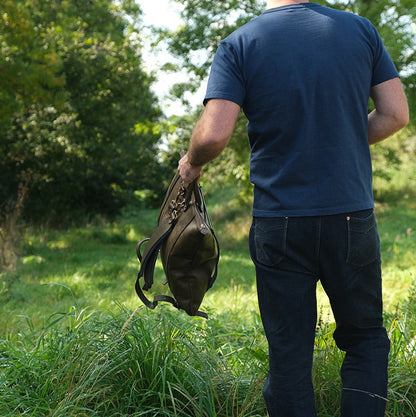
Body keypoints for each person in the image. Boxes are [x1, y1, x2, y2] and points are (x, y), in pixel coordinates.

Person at [178, 0, 409, 416]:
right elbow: (395, 114)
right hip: (350, 217)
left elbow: (213, 136)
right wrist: (342, 140)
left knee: (289, 351)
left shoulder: (240, 43)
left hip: (279, 222)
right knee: (365, 339)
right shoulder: (360, 31)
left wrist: (192, 162)